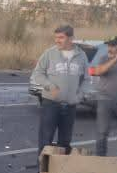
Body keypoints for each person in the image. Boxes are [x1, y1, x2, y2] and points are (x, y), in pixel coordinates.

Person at [30, 24, 89, 154]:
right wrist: (50, 86)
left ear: (71, 38)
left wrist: (79, 96)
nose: (57, 40)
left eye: (61, 37)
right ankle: (43, 172)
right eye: (56, 37)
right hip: (51, 104)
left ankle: (60, 172)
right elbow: (38, 73)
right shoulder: (49, 53)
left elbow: (86, 79)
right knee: (45, 141)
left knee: (65, 143)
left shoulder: (81, 56)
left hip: (70, 106)